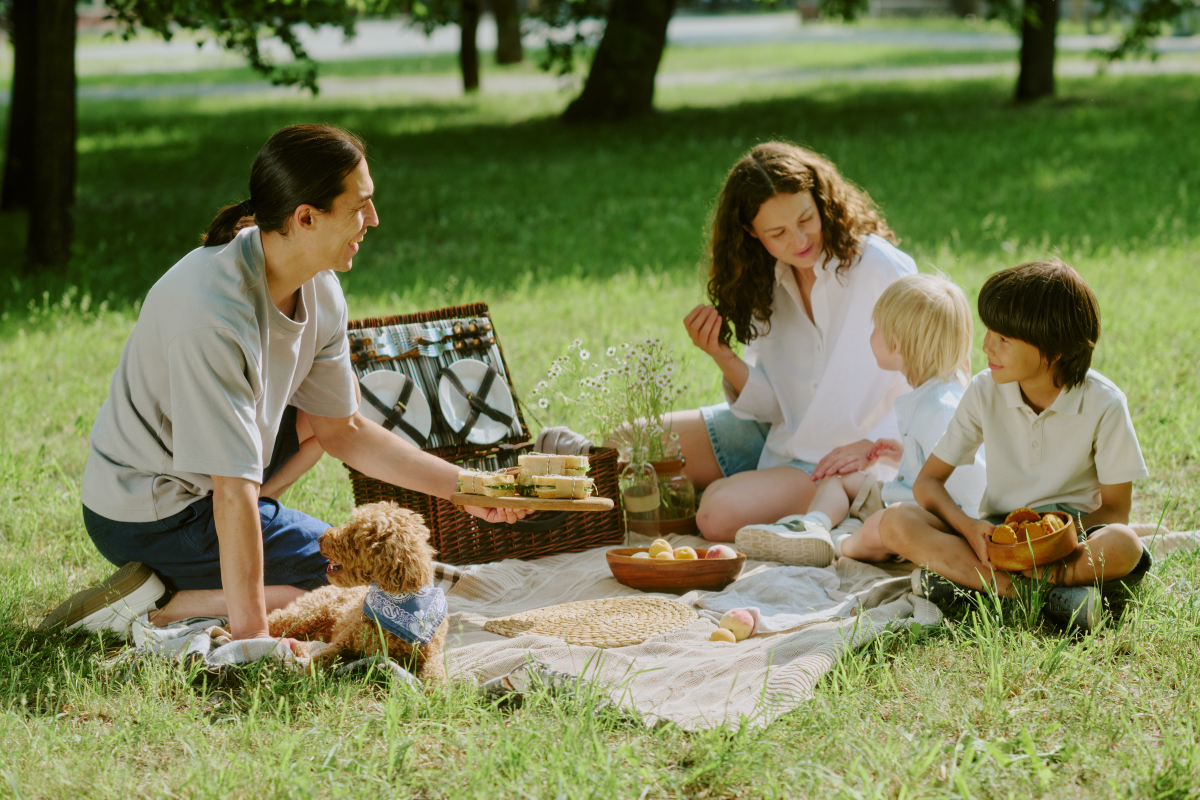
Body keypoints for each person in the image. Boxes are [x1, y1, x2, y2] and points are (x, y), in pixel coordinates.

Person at [40, 124, 523, 645]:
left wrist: (470, 489)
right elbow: (231, 495)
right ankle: (165, 605)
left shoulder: (320, 288)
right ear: (306, 217)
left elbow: (345, 430)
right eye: (360, 206)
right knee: (342, 586)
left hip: (214, 486)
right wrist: (254, 640)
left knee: (349, 568)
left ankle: (218, 580)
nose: (374, 220)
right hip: (151, 513)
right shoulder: (211, 314)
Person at [877, 261, 1151, 631]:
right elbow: (927, 483)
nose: (987, 345)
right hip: (997, 536)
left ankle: (971, 586)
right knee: (895, 521)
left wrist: (1053, 542)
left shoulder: (1104, 403)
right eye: (990, 331)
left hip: (1071, 541)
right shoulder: (983, 390)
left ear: (1053, 349)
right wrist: (970, 527)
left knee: (1125, 544)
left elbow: (1116, 511)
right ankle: (1048, 598)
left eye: (1004, 339)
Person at [675, 142, 916, 543]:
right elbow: (775, 406)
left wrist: (876, 444)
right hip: (781, 437)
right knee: (629, 446)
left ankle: (780, 494)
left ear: (822, 200)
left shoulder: (880, 267)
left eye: (807, 218)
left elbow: (938, 376)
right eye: (778, 233)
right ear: (752, 233)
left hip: (842, 462)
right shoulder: (766, 281)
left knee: (715, 514)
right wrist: (720, 355)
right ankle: (755, 485)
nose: (800, 239)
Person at [734, 273, 986, 565]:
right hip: (902, 501)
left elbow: (971, 491)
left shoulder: (939, 409)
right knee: (840, 479)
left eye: (876, 327)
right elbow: (943, 464)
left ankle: (839, 545)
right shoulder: (931, 395)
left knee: (879, 525)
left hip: (924, 523)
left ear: (895, 345)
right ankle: (812, 526)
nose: (872, 333)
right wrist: (902, 457)